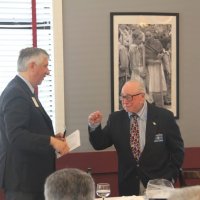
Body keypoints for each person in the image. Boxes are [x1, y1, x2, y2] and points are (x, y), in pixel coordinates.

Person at [88, 80, 184, 196]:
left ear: (142, 97)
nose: (124, 102)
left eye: (128, 97)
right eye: (122, 97)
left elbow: (177, 151)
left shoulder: (164, 117)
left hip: (159, 186)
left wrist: (170, 178)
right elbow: (99, 144)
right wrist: (94, 126)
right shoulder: (116, 119)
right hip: (129, 186)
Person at [0, 47, 70, 200]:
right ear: (32, 66)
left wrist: (52, 138)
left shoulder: (25, 91)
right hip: (24, 184)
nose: (48, 71)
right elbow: (16, 135)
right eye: (45, 66)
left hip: (32, 181)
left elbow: (29, 129)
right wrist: (50, 141)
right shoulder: (16, 92)